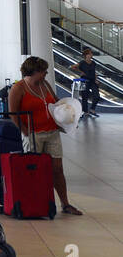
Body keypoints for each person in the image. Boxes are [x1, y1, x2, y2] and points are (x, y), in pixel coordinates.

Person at [8, 56, 81, 215]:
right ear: (33, 72)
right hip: (34, 134)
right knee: (33, 169)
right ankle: (33, 202)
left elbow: (55, 102)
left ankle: (65, 203)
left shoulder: (45, 84)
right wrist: (25, 131)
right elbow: (13, 113)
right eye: (43, 71)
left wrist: (66, 114)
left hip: (52, 131)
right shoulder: (18, 88)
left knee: (57, 169)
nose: (46, 74)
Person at [73, 48, 100, 118]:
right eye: (90, 53)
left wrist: (96, 79)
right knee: (85, 97)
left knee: (97, 96)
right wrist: (81, 72)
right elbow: (73, 67)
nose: (91, 54)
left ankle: (92, 109)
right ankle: (85, 111)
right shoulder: (82, 62)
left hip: (92, 81)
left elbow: (94, 72)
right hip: (85, 81)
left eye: (91, 53)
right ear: (86, 55)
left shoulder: (93, 63)